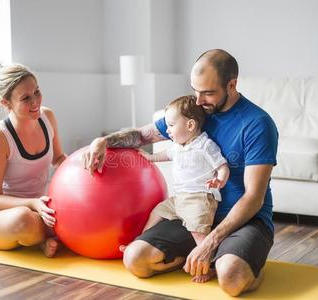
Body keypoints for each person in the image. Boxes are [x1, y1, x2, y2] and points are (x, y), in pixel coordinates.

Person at [83, 49, 278, 296]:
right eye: (195, 90)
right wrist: (103, 142)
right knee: (135, 259)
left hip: (245, 222)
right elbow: (142, 135)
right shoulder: (195, 112)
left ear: (232, 85)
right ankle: (198, 258)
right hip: (192, 213)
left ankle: (246, 267)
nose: (198, 100)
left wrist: (211, 241)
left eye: (207, 93)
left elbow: (253, 198)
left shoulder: (257, 123)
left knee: (231, 277)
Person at [0, 64, 67, 257]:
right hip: (2, 219)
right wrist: (33, 203)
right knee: (24, 219)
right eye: (26, 98)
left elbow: (59, 159)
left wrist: (81, 172)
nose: (35, 102)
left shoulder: (47, 116)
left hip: (42, 209)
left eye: (37, 92)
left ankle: (44, 238)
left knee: (76, 208)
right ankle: (46, 238)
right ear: (6, 103)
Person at [139, 95, 229, 275]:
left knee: (198, 233)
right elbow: (164, 155)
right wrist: (149, 158)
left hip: (199, 199)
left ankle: (207, 267)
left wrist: (220, 179)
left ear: (190, 125)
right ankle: (139, 240)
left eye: (171, 126)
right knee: (157, 211)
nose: (168, 131)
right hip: (178, 198)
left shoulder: (205, 145)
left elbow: (222, 166)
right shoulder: (177, 146)